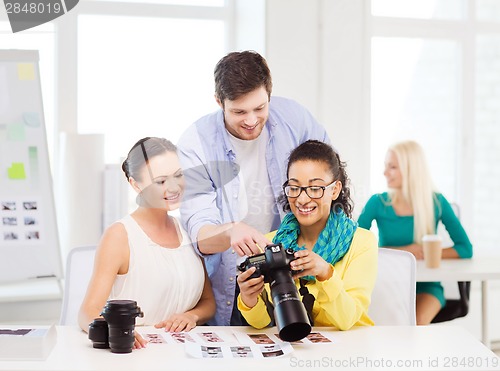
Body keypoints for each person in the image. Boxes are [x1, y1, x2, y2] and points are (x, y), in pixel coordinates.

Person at [177, 50, 331, 326]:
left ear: (269, 96)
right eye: (239, 111)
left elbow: (330, 179)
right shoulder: (196, 143)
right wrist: (231, 231)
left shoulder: (294, 119)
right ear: (218, 102)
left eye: (260, 108)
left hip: (296, 275)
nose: (251, 120)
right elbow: (200, 236)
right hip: (236, 284)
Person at [78, 137, 215, 349]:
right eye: (160, 181)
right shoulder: (120, 236)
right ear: (136, 185)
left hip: (183, 353)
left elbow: (208, 303)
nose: (173, 187)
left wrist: (191, 316)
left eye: (179, 175)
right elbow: (88, 312)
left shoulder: (187, 230)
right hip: (133, 353)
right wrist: (117, 332)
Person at [237, 140, 377, 330]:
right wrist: (249, 298)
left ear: (335, 190)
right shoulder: (270, 243)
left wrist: (325, 273)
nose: (302, 199)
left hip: (350, 349)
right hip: (295, 348)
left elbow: (348, 319)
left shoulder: (361, 242)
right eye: (294, 188)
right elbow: (262, 324)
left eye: (315, 188)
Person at [358, 140, 473, 325]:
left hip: (427, 287)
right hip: (387, 285)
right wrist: (405, 252)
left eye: (392, 167)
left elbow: (465, 249)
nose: (385, 172)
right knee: (387, 323)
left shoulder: (436, 202)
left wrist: (427, 252)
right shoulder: (377, 202)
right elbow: (354, 245)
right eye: (386, 166)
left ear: (411, 170)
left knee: (417, 321)